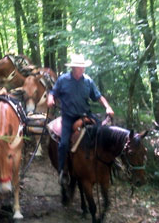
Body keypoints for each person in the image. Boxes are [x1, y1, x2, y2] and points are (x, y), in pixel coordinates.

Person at [47, 54, 114, 182]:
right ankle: (63, 171)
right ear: (73, 67)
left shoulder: (88, 81)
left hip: (86, 115)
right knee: (64, 143)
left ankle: (107, 166)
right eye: (80, 67)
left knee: (103, 135)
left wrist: (107, 107)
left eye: (83, 67)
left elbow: (98, 96)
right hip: (68, 117)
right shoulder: (63, 80)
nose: (82, 69)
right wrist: (51, 99)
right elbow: (53, 92)